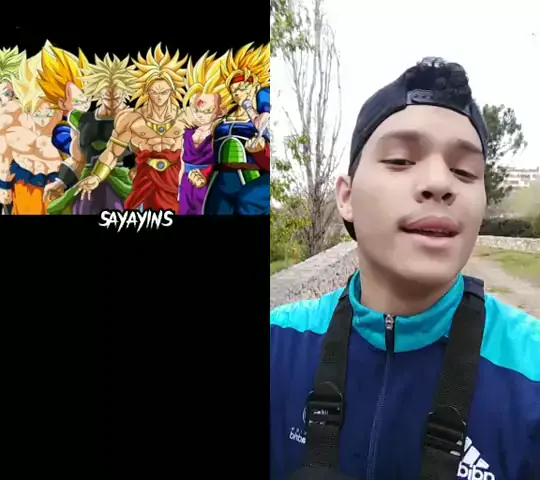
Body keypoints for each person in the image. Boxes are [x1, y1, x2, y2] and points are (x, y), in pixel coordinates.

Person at [270, 58, 540, 480]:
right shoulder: (279, 345)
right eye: (400, 160)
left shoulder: (530, 373)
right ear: (346, 197)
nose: (440, 183)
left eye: (464, 171)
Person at [74, 44, 189, 214]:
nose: (159, 97)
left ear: (172, 92)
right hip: (145, 180)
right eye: (154, 92)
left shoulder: (184, 118)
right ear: (146, 91)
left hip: (176, 182)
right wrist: (97, 177)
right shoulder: (131, 119)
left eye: (164, 92)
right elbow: (112, 152)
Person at [45, 54, 137, 214]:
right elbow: (78, 160)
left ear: (125, 93)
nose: (113, 102)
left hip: (124, 185)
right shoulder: (83, 120)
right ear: (98, 93)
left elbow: (144, 157)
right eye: (107, 96)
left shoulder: (136, 120)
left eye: (117, 96)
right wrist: (61, 182)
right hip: (88, 185)